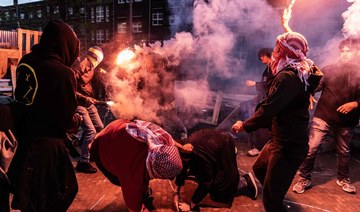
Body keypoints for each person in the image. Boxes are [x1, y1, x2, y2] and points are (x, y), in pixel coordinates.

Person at [232, 31, 322, 211]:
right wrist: (293, 43)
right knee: (259, 168)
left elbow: (268, 110)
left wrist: (245, 125)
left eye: (277, 49)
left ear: (284, 52)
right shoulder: (302, 69)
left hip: (289, 145)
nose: (273, 52)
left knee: (272, 202)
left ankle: (274, 197)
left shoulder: (288, 77)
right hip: (279, 139)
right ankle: (273, 189)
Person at [6, 20, 79, 211]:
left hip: (24, 143)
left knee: (29, 199)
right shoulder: (64, 73)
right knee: (55, 197)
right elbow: (65, 119)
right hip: (48, 150)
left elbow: (29, 98)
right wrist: (75, 121)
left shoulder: (26, 62)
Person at [292, 38, 360, 194]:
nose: (344, 54)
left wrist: (355, 104)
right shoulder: (329, 69)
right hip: (324, 115)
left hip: (347, 121)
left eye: (348, 52)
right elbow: (316, 86)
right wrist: (309, 92)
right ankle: (304, 178)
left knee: (344, 151)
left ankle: (343, 179)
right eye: (342, 51)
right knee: (311, 148)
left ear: (357, 53)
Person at [90, 119, 191, 212]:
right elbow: (133, 208)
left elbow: (170, 141)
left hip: (119, 127)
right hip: (101, 146)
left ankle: (144, 195)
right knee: (118, 180)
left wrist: (182, 147)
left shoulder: (160, 143)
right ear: (157, 173)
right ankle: (144, 197)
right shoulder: (133, 176)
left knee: (141, 182)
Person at [175, 128, 258, 211]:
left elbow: (206, 183)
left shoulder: (201, 158)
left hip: (226, 145)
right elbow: (182, 167)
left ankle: (244, 181)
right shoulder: (183, 147)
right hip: (216, 143)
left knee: (219, 190)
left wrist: (191, 205)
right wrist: (176, 191)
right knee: (198, 172)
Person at [72, 46, 105, 173]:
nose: (89, 67)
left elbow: (91, 82)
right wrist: (84, 98)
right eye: (89, 63)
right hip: (78, 104)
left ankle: (90, 150)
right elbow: (71, 90)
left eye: (93, 65)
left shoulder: (93, 68)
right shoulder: (76, 68)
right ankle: (83, 162)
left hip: (88, 102)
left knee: (99, 127)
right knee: (90, 131)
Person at [245, 48, 274, 156]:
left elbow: (270, 84)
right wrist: (258, 96)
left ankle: (260, 148)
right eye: (260, 56)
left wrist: (255, 84)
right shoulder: (268, 68)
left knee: (261, 124)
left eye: (263, 55)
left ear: (269, 55)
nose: (261, 58)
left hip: (270, 102)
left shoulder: (274, 68)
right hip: (265, 99)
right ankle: (264, 147)